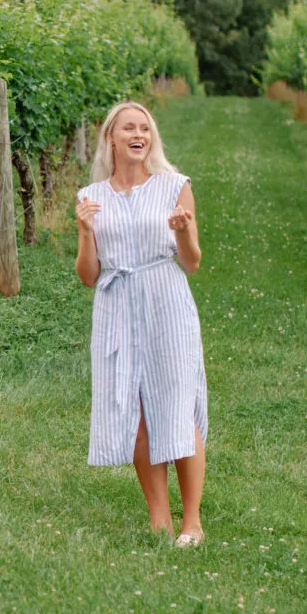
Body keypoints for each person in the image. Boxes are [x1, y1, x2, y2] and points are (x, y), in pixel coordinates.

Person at [74, 100, 207, 547]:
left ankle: (192, 522)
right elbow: (89, 275)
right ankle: (159, 519)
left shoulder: (175, 187)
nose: (139, 134)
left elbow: (191, 263)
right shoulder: (90, 198)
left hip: (165, 301)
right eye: (129, 127)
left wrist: (184, 231)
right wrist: (85, 233)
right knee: (135, 412)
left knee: (177, 403)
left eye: (145, 129)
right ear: (111, 136)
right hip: (116, 308)